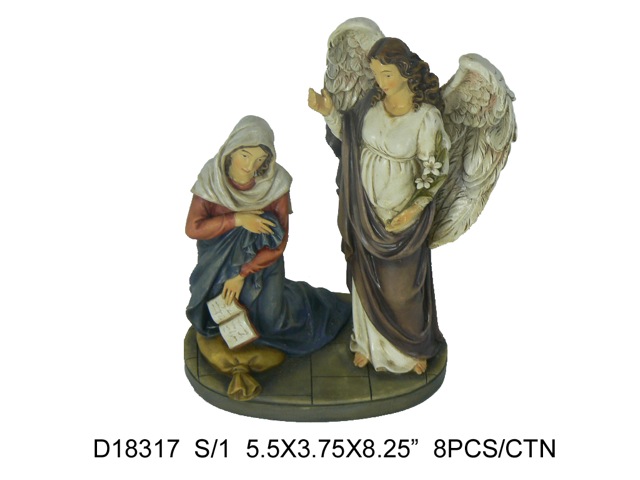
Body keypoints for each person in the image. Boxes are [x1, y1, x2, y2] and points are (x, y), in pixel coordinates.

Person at [308, 38, 450, 373]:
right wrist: (329, 112)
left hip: (402, 217)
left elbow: (436, 169)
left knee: (402, 290)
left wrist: (413, 209)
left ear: (405, 70)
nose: (380, 82)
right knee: (366, 280)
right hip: (364, 210)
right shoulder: (370, 105)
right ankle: (368, 345)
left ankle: (411, 348)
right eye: (376, 74)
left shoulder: (425, 117)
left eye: (387, 74)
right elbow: (350, 141)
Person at [185, 115, 350, 356]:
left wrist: (242, 274)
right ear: (231, 150)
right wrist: (238, 219)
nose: (250, 166)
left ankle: (318, 304)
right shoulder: (213, 178)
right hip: (217, 266)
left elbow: (279, 243)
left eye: (259, 159)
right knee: (216, 315)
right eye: (245, 155)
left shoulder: (275, 183)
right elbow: (193, 228)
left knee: (273, 323)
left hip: (263, 262)